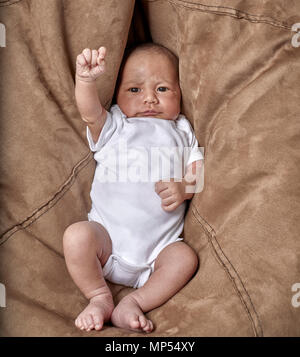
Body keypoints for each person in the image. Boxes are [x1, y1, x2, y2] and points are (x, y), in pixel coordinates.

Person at [63, 43, 204, 333]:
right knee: (76, 237)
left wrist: (184, 188)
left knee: (185, 258)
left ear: (180, 93)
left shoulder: (182, 130)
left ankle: (134, 302)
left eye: (163, 89)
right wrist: (86, 81)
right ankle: (99, 297)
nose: (150, 99)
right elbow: (90, 113)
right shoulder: (116, 124)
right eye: (135, 90)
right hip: (106, 242)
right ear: (117, 95)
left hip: (158, 252)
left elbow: (197, 173)